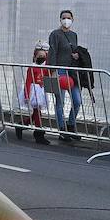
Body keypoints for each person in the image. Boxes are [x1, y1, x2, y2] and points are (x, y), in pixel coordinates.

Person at [46, 9, 82, 142]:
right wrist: (53, 70)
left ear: (73, 19)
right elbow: (52, 52)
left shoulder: (74, 35)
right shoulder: (55, 34)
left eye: (68, 18)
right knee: (60, 101)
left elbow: (75, 50)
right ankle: (62, 129)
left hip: (72, 71)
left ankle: (71, 126)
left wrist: (77, 56)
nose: (66, 20)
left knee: (77, 101)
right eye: (63, 18)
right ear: (60, 19)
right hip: (59, 70)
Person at [16, 42, 52, 144]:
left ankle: (22, 125)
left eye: (43, 56)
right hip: (33, 91)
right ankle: (39, 133)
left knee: (37, 112)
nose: (42, 58)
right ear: (35, 56)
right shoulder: (32, 67)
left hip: (40, 90)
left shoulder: (44, 67)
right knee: (37, 112)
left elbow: (48, 74)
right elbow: (28, 81)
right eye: (40, 56)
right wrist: (27, 95)